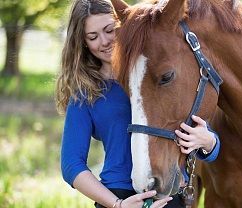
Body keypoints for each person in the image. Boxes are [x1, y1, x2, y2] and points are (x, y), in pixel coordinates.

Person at [55, 0, 221, 208]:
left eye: (109, 30)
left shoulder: (156, 79)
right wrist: (117, 204)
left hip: (171, 195)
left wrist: (208, 142)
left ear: (124, 26)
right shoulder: (86, 93)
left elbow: (203, 140)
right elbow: (71, 165)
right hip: (119, 196)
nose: (104, 41)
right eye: (93, 37)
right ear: (83, 43)